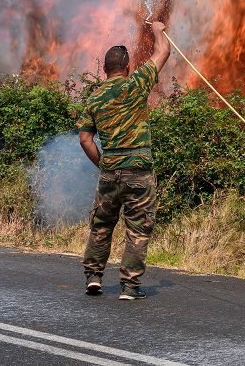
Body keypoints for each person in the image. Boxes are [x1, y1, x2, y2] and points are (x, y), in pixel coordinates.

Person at [77, 20, 171, 300]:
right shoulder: (136, 85)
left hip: (110, 171)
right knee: (138, 228)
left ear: (105, 70)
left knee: (102, 225)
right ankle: (130, 286)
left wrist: (104, 164)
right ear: (127, 68)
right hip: (138, 171)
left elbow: (84, 139)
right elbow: (163, 52)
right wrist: (157, 29)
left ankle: (94, 277)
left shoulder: (94, 99)